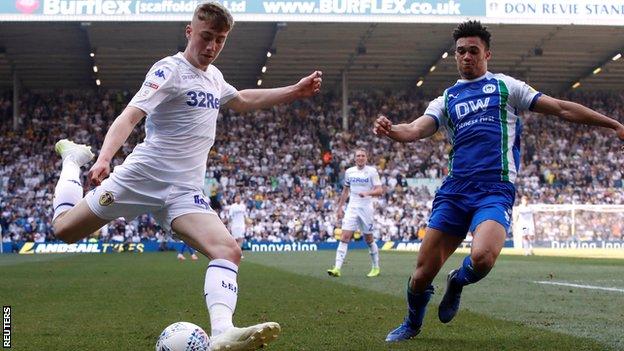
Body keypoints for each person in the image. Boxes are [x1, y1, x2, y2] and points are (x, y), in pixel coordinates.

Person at [50, 2, 322, 350]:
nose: (211, 47)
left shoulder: (214, 77)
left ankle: (223, 331)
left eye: (220, 40)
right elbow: (130, 116)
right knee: (64, 230)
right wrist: (104, 157)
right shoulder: (169, 70)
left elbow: (242, 100)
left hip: (184, 191)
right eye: (206, 37)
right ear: (190, 31)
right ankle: (72, 160)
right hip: (142, 177)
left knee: (228, 250)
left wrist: (294, 91)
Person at [374, 20, 624, 342]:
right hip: (455, 191)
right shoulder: (446, 99)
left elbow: (561, 108)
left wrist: (613, 124)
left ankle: (458, 280)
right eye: (460, 51)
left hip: (495, 189)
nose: (466, 56)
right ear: (455, 55)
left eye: (473, 51)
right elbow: (416, 129)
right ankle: (412, 323)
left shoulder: (506, 87)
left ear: (487, 54)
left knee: (483, 258)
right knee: (421, 275)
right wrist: (394, 130)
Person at [327, 148, 383, 278]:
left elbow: (380, 190)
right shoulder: (349, 172)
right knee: (344, 237)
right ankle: (337, 268)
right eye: (358, 156)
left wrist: (367, 193)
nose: (360, 158)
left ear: (366, 158)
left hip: (366, 208)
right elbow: (345, 191)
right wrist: (340, 208)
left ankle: (376, 267)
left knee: (369, 239)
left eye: (363, 155)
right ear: (354, 158)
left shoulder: (372, 172)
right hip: (352, 208)